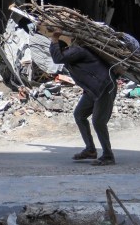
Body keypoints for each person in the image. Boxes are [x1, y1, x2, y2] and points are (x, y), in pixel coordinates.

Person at [40, 23, 117, 166]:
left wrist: (54, 39)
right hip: (92, 89)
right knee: (79, 115)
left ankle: (108, 156)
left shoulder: (78, 50)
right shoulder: (73, 54)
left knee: (98, 122)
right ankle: (90, 150)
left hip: (105, 86)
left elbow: (58, 58)